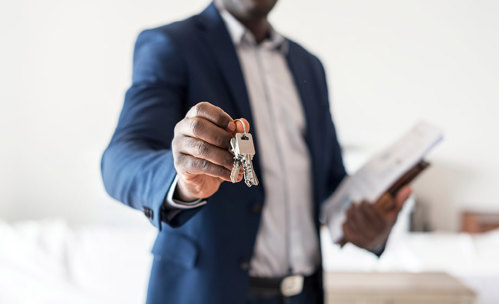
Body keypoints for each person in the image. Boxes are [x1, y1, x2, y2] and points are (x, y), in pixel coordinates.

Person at [101, 0, 411, 303]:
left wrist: (370, 228)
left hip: (305, 293)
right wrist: (181, 180)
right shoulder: (171, 46)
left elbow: (329, 183)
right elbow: (120, 159)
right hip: (208, 292)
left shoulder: (309, 66)